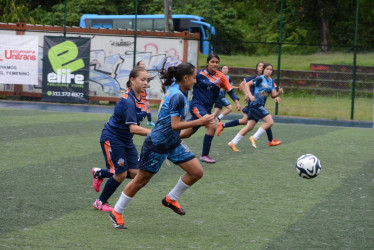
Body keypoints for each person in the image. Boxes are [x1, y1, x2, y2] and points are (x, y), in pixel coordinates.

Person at [108, 62, 214, 230]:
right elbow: (174, 125)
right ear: (185, 78)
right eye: (193, 78)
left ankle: (171, 199)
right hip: (157, 144)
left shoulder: (176, 87)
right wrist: (201, 121)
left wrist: (195, 125)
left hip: (172, 142)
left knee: (196, 172)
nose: (195, 82)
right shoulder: (178, 96)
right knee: (141, 180)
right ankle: (117, 211)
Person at [91, 66, 152, 212]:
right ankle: (100, 202)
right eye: (142, 80)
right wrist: (154, 133)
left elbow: (145, 109)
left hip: (126, 140)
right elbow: (134, 129)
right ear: (132, 80)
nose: (146, 83)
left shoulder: (142, 95)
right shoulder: (128, 101)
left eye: (147, 80)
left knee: (137, 174)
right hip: (112, 138)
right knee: (121, 173)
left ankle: (101, 173)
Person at [179, 54, 242, 164]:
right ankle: (204, 155)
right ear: (207, 63)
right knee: (212, 126)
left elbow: (230, 90)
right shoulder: (199, 74)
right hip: (197, 105)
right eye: (212, 62)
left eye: (217, 62)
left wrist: (237, 102)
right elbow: (186, 82)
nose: (215, 64)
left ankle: (166, 141)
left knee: (186, 134)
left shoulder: (221, 77)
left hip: (206, 109)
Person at [216, 62, 282, 151]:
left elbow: (273, 95)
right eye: (267, 69)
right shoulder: (259, 78)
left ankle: (233, 142)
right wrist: (249, 95)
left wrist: (278, 93)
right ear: (263, 70)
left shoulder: (271, 81)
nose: (269, 71)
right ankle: (255, 138)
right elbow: (246, 85)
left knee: (249, 126)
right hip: (256, 105)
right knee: (270, 122)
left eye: (271, 70)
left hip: (259, 105)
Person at [137, 60, 155, 127]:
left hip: (144, 92)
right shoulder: (136, 73)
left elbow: (146, 84)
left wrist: (146, 84)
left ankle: (149, 121)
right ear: (138, 65)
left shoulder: (145, 73)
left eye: (144, 64)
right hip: (138, 92)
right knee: (137, 106)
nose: (143, 65)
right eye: (142, 64)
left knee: (147, 106)